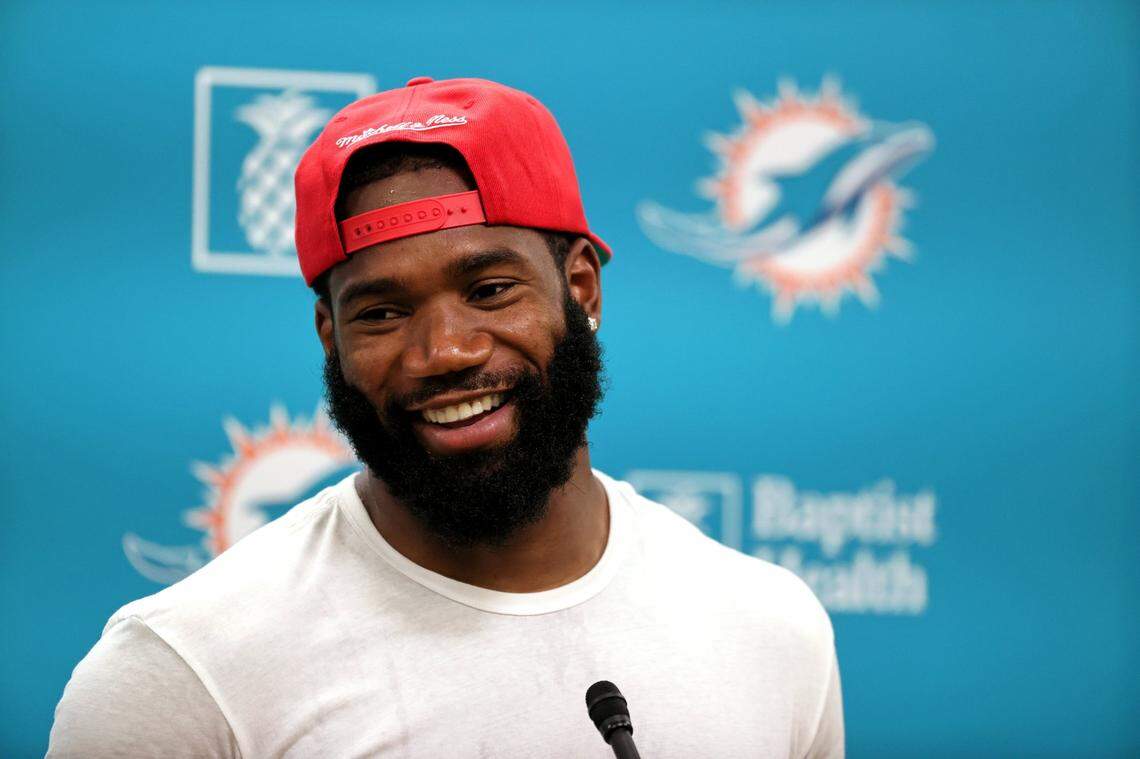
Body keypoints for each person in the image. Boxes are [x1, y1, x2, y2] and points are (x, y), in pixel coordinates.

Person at [48, 76, 844, 757]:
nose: (444, 351)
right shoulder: (184, 671)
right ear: (331, 338)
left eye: (490, 289)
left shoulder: (769, 629)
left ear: (582, 289)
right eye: (382, 312)